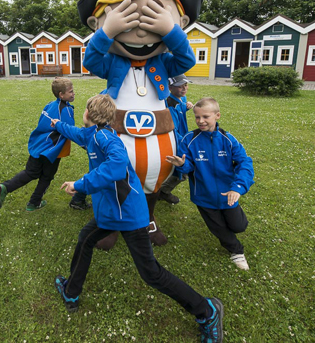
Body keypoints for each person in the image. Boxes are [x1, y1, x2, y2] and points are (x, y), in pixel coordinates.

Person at [51, 94, 224, 343]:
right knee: (85, 240)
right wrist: (58, 125)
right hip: (110, 213)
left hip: (128, 215)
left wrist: (80, 184)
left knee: (151, 273)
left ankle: (207, 311)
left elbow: (116, 166)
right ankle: (70, 291)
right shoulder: (93, 134)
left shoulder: (108, 140)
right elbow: (77, 133)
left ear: (87, 113)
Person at [77, 0, 204, 249]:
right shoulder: (112, 61)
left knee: (152, 180)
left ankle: (147, 219)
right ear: (97, 22)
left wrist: (170, 30)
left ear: (182, 23)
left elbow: (187, 60)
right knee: (112, 176)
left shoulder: (163, 61)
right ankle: (110, 225)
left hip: (158, 133)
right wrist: (107, 32)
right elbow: (90, 60)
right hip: (116, 131)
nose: (141, 32)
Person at [166, 97, 255, 270]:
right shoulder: (189, 139)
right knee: (219, 228)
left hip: (228, 194)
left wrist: (237, 188)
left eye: (206, 117)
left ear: (217, 116)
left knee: (239, 226)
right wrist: (183, 165)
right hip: (204, 196)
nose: (201, 121)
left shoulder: (228, 140)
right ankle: (236, 251)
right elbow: (189, 165)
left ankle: (235, 217)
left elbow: (245, 163)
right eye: (197, 117)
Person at [0, 77, 89, 211]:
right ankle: (34, 202)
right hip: (52, 151)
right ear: (61, 94)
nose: (73, 94)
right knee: (47, 176)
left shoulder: (49, 105)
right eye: (71, 92)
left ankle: (6, 187)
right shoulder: (66, 110)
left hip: (38, 146)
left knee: (30, 172)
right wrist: (86, 144)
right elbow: (69, 131)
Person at [159, 74, 193, 204]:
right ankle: (161, 192)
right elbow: (173, 130)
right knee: (182, 173)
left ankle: (161, 190)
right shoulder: (170, 105)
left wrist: (186, 107)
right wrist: (185, 142)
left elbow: (181, 109)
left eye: (186, 85)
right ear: (170, 87)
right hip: (178, 141)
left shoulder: (181, 98)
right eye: (180, 86)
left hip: (182, 138)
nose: (184, 88)